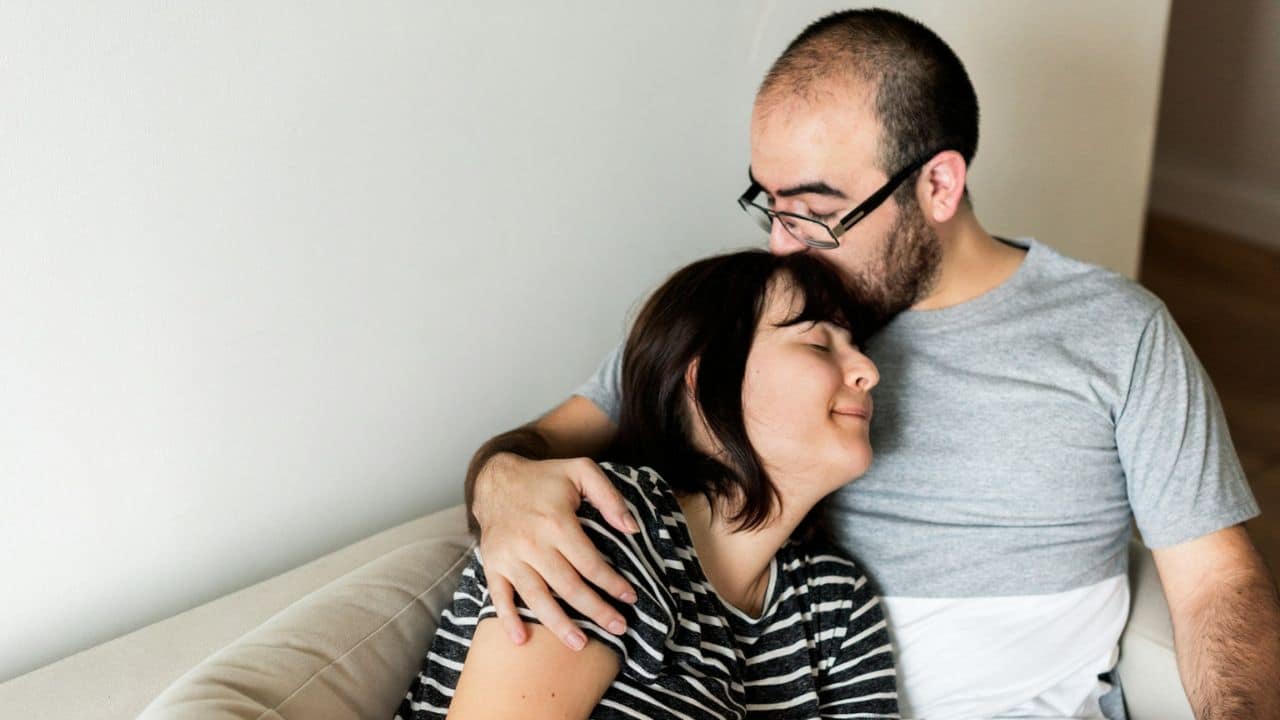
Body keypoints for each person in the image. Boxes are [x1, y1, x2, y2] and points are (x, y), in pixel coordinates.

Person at [462, 8, 1280, 720]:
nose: (783, 244)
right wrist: (500, 484)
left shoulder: (1118, 333)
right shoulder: (761, 323)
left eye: (815, 212)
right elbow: (537, 448)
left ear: (939, 185)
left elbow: (1216, 584)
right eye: (770, 204)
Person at [397, 251, 899, 719]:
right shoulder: (609, 520)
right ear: (706, 383)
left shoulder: (835, 601)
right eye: (817, 343)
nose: (868, 371)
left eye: (855, 347)